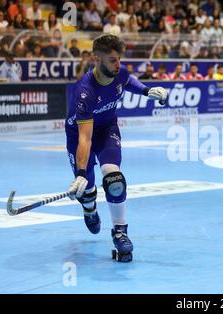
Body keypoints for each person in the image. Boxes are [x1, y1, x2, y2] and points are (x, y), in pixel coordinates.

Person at [65, 34, 167, 262]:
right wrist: (81, 173)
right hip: (79, 135)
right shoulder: (85, 91)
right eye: (112, 60)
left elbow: (127, 80)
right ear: (96, 59)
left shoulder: (118, 72)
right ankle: (89, 208)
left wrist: (146, 91)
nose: (117, 64)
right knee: (87, 188)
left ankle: (120, 232)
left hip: (107, 128)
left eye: (119, 59)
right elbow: (84, 138)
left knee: (115, 180)